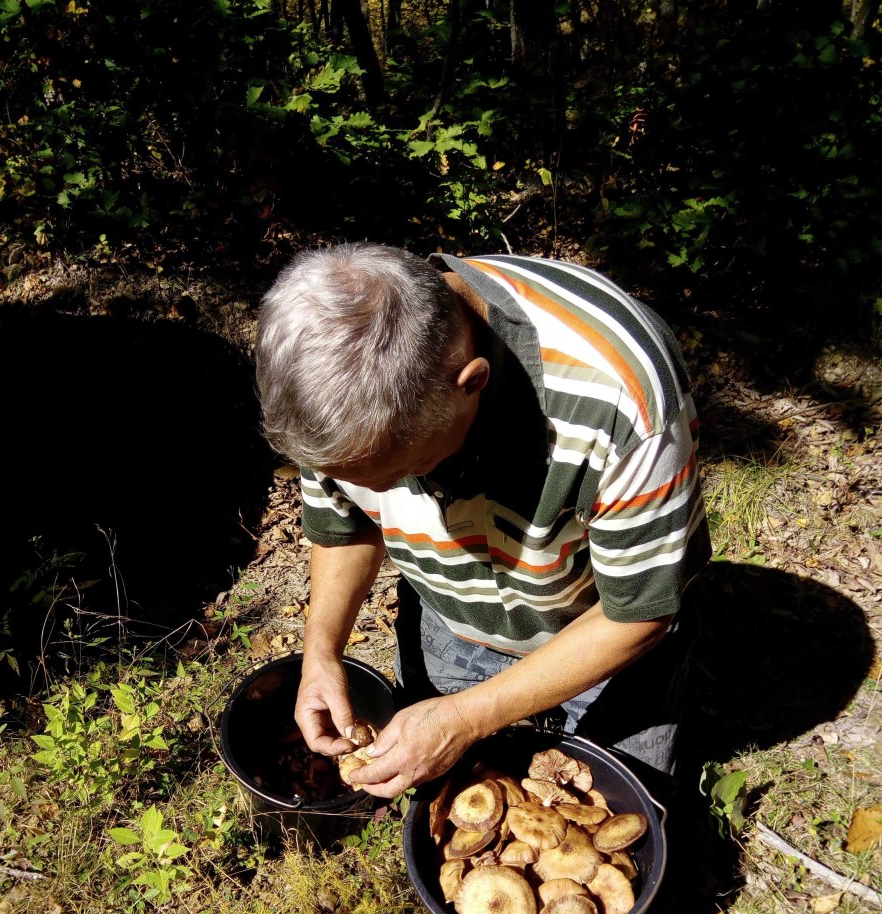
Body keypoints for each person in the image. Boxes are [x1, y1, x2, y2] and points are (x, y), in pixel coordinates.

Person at [256, 244, 711, 801]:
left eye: (403, 472)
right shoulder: (330, 383)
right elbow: (346, 525)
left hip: (599, 642)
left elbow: (639, 615)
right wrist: (322, 650)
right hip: (453, 620)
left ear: (470, 382)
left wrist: (465, 720)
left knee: (623, 813)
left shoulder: (623, 400)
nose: (376, 498)